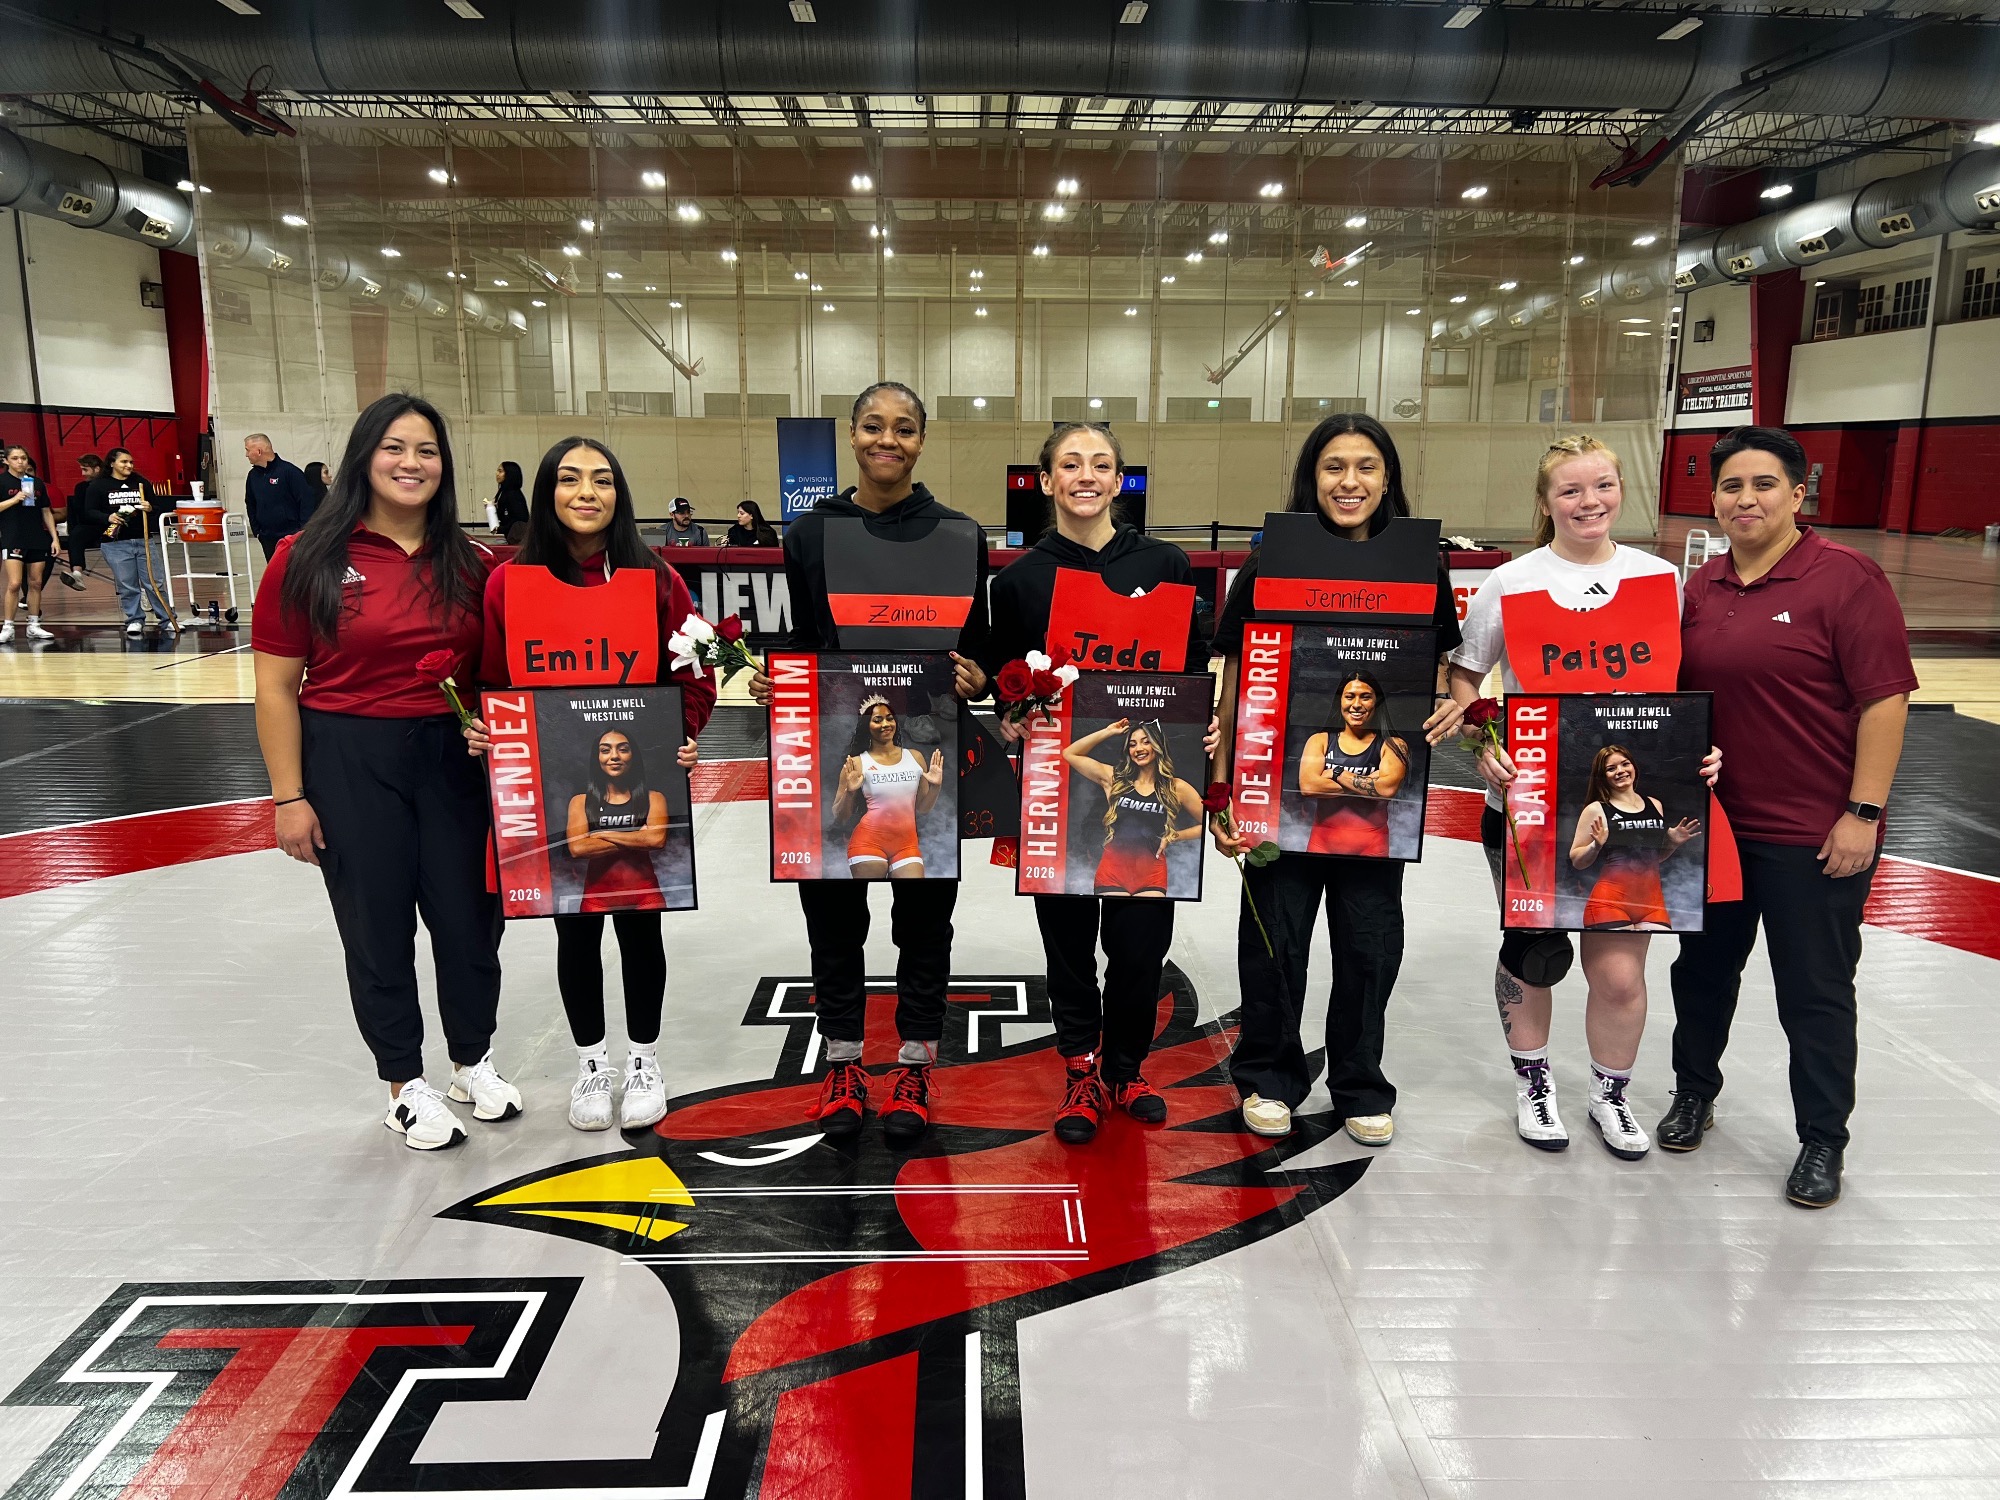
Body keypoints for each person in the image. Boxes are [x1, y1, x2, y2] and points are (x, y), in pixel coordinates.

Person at [251, 392, 516, 1153]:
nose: (412, 463)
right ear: (366, 457)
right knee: (378, 926)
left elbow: (502, 678)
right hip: (349, 757)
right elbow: (275, 688)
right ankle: (404, 1083)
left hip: (452, 761)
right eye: (395, 448)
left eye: (427, 451)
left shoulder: (476, 564)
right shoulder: (304, 558)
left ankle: (473, 1060)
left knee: (471, 922)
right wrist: (290, 797)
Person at [1663, 425, 1916, 1210]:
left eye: (1765, 484)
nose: (1747, 499)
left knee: (1813, 992)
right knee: (1702, 977)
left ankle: (1822, 1141)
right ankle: (1694, 1095)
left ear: (1798, 495)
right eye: (1732, 486)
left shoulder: (1847, 578)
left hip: (1813, 834)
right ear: (1713, 499)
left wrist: (1861, 813)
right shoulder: (1701, 588)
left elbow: (1886, 700)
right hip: (1715, 831)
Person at [1446, 435, 1717, 1161]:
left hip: (1635, 803)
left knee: (1622, 972)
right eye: (1571, 490)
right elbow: (1466, 681)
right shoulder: (1511, 581)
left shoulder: (1662, 578)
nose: (1589, 501)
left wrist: (1704, 752)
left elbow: (1684, 697)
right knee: (1532, 955)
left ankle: (1611, 1095)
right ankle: (1533, 1083)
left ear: (1621, 489)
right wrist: (1484, 747)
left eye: (1602, 486)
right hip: (1529, 808)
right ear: (1545, 503)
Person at [1209, 412, 1464, 1146]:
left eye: (1365, 467)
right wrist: (1224, 788)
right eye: (1332, 467)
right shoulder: (1270, 561)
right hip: (1276, 803)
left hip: (1376, 819)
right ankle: (1269, 1076)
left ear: (1388, 479)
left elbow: (1437, 674)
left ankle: (1359, 1082)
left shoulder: (1422, 566)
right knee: (1274, 944)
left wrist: (1451, 707)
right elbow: (1233, 682)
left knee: (1369, 946)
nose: (1348, 482)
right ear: (1310, 477)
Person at [748, 382, 990, 1145]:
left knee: (925, 924)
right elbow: (796, 639)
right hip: (835, 753)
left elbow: (975, 650)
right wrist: (773, 677)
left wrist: (978, 675)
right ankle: (845, 1062)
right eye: (875, 426)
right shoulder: (809, 534)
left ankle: (915, 1062)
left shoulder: (959, 533)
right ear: (852, 435)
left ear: (923, 440)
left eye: (906, 429)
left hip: (927, 760)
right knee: (834, 922)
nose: (890, 439)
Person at [467, 436, 716, 1133]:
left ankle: (642, 1058)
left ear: (619, 494)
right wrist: (486, 727)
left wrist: (682, 735)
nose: (586, 492)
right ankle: (590, 1062)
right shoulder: (507, 584)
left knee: (641, 927)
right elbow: (490, 681)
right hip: (554, 786)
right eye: (570, 479)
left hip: (636, 780)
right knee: (574, 932)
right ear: (547, 492)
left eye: (602, 480)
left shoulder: (656, 580)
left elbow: (694, 678)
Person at [985, 421, 1212, 1142]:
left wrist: (1206, 728)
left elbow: (1192, 678)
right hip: (1060, 795)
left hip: (1148, 792)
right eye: (1071, 464)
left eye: (1102, 465)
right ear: (1047, 479)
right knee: (1069, 943)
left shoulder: (1169, 566)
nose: (1086, 475)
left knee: (1142, 941)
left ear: (1119, 481)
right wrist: (1012, 719)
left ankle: (1127, 1066)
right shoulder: (1018, 580)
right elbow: (1004, 688)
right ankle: (1081, 1067)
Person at [1062, 720, 1203, 896]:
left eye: (1146, 741)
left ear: (1158, 745)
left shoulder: (1176, 787)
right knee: (1115, 923)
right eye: (1132, 744)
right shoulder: (1115, 780)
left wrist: (1174, 836)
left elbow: (1209, 825)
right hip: (1113, 872)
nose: (1139, 749)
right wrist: (1108, 732)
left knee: (1144, 923)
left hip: (1152, 874)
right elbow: (1070, 754)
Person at [1569, 745, 1700, 931]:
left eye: (1625, 764)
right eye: (1611, 768)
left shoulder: (1655, 805)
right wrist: (1595, 846)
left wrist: (1672, 844)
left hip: (1652, 905)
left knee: (1648, 960)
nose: (1620, 771)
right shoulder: (1596, 809)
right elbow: (1577, 861)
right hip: (1609, 904)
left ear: (1634, 767)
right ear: (1602, 775)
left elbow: (1650, 859)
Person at [1300, 671, 1411, 858]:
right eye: (1349, 697)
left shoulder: (1394, 745)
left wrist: (1335, 773)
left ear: (1377, 702)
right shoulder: (1319, 740)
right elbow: (1309, 787)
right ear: (1340, 701)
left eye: (1365, 697)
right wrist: (1369, 782)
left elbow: (1387, 790)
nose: (1357, 705)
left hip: (1372, 848)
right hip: (1321, 845)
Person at [82, 448, 180, 636]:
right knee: (127, 584)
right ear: (112, 463)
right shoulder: (98, 486)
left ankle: (167, 619)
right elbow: (89, 512)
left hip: (143, 540)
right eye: (124, 462)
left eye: (131, 462)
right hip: (115, 543)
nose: (129, 466)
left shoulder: (141, 482)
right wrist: (107, 517)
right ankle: (134, 619)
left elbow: (157, 507)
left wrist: (150, 507)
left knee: (154, 582)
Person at [1, 444, 61, 642]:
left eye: (23, 458)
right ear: (6, 461)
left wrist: (54, 538)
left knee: (35, 582)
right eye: (16, 458)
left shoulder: (36, 483)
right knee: (15, 582)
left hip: (36, 537)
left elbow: (46, 511)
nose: (20, 462)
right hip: (13, 538)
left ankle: (34, 625)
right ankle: (8, 626)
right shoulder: (2, 481)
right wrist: (14, 499)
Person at [244, 433, 317, 562]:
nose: (246, 455)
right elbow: (250, 503)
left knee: (294, 573)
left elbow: (306, 501)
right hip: (267, 537)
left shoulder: (290, 472)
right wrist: (257, 531)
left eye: (248, 450)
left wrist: (302, 531)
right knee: (275, 575)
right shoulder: (252, 476)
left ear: (259, 451)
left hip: (291, 536)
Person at [63, 453, 104, 578]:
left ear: (97, 469)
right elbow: (80, 512)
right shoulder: (81, 488)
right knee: (76, 534)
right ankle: (77, 572)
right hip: (90, 527)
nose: (83, 474)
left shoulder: (109, 485)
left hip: (110, 526)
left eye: (85, 470)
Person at [491, 461, 528, 536]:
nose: (497, 474)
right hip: (509, 534)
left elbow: (520, 518)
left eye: (500, 471)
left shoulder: (513, 494)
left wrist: (501, 529)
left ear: (509, 474)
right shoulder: (503, 491)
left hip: (517, 536)